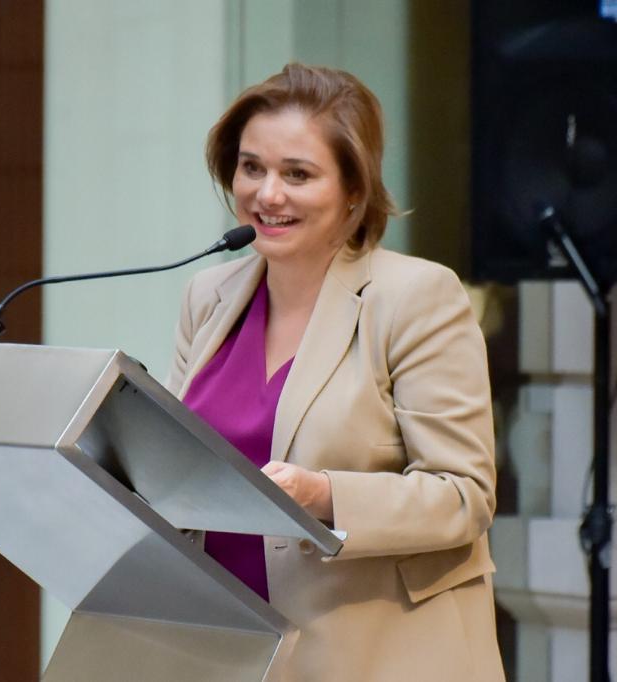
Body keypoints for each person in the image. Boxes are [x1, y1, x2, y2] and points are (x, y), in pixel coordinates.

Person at [167, 63, 504, 682]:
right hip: (225, 650)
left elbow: (464, 496)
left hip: (374, 658)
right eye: (251, 168)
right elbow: (176, 464)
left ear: (354, 188)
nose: (267, 194)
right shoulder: (207, 297)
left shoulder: (417, 297)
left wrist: (322, 495)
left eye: (297, 174)